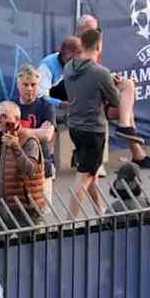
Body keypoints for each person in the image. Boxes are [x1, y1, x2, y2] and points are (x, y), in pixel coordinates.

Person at [58, 29, 121, 215]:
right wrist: (112, 83)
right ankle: (71, 222)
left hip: (75, 126)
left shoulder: (68, 67)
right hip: (94, 129)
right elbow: (116, 101)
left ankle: (99, 210)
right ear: (99, 47)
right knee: (85, 176)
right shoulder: (101, 72)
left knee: (90, 172)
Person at [0, 100, 47, 230]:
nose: (0, 120)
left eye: (5, 117)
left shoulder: (29, 140)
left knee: (31, 247)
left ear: (17, 120)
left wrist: (16, 148)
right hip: (1, 206)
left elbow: (30, 170)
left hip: (25, 208)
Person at [14, 63, 58, 201]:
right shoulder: (11, 106)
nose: (29, 89)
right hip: (17, 169)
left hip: (42, 167)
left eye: (33, 84)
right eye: (25, 84)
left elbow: (47, 135)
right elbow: (5, 134)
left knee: (42, 213)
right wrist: (37, 131)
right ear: (18, 85)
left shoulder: (46, 106)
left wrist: (20, 131)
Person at [37, 36, 81, 108]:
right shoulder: (46, 67)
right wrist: (62, 104)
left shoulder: (76, 64)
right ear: (68, 53)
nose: (82, 56)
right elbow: (40, 97)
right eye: (79, 52)